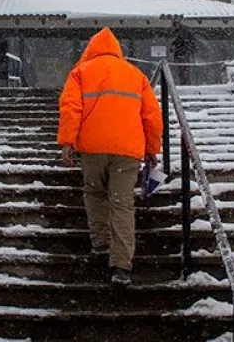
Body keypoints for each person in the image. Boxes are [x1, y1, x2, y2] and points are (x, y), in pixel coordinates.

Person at [57, 27, 163, 287]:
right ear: (117, 50)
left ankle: (101, 243)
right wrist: (152, 149)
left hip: (93, 148)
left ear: (90, 49)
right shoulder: (135, 75)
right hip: (128, 151)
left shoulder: (80, 73)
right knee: (122, 204)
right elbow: (151, 116)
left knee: (94, 194)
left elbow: (71, 107)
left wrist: (67, 142)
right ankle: (121, 266)